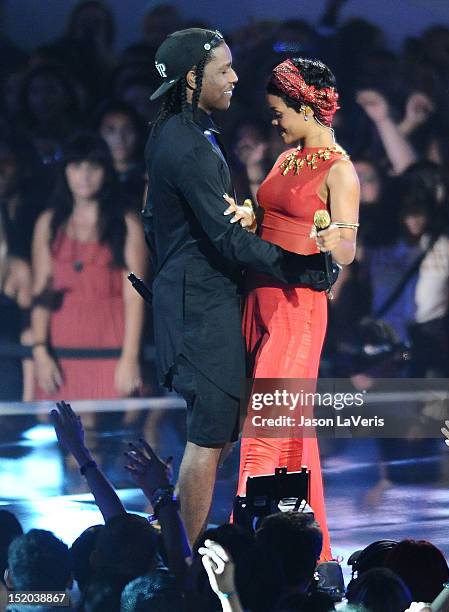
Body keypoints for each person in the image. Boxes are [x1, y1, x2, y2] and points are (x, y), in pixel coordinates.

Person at [143, 28, 333, 548]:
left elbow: (161, 219)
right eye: (223, 70)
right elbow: (225, 239)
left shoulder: (189, 129)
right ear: (191, 78)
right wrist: (300, 268)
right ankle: (181, 562)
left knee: (219, 432)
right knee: (209, 438)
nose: (234, 77)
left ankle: (176, 543)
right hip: (199, 306)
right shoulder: (185, 142)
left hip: (199, 301)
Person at [232, 57, 359, 561]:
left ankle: (248, 542)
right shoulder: (287, 160)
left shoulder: (341, 170)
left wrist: (334, 240)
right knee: (285, 425)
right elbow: (272, 213)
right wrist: (250, 215)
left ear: (307, 108)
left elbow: (347, 248)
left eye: (279, 111)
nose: (275, 121)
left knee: (268, 421)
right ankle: (302, 550)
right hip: (258, 300)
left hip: (296, 308)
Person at [31, 133, 146, 400]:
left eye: (93, 167)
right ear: (66, 172)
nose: (84, 175)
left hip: (111, 346)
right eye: (76, 166)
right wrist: (39, 349)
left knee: (117, 433)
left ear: (105, 171)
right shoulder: (49, 223)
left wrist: (130, 357)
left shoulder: (125, 224)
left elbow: (134, 296)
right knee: (58, 434)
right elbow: (42, 290)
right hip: (61, 350)